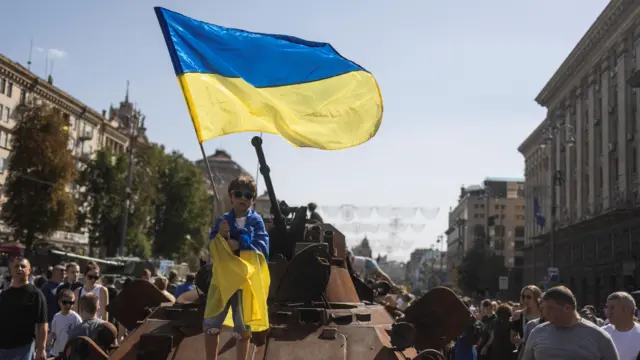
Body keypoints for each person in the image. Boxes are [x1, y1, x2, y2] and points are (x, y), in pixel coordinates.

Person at [204, 176, 270, 360]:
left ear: (253, 200)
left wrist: (240, 244)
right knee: (211, 325)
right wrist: (220, 236)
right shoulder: (223, 221)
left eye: (248, 195)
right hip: (223, 280)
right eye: (239, 194)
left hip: (244, 282)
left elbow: (262, 249)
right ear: (230, 196)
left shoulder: (256, 222)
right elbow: (212, 248)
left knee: (242, 329)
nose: (243, 198)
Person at [522, 286, 619, 360]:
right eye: (544, 308)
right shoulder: (537, 332)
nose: (545, 312)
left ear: (567, 308)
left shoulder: (599, 337)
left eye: (550, 308)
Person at [0, 257, 48, 360]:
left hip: (23, 349)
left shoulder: (36, 294)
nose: (19, 269)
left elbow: (42, 324)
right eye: (16, 266)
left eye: (23, 266)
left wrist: (41, 349)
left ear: (29, 271)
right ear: (11, 270)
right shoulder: (4, 294)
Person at [602, 291, 640, 360]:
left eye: (612, 308)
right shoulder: (601, 333)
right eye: (608, 307)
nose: (608, 312)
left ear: (625, 310)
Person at [67, 294, 107, 359]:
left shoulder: (76, 330)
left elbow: (69, 354)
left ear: (81, 309)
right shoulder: (108, 327)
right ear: (98, 309)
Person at [48, 289, 82, 358]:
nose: (68, 305)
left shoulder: (76, 318)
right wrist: (49, 340)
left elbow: (80, 336)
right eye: (65, 302)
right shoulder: (56, 317)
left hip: (70, 354)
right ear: (59, 302)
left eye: (71, 303)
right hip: (57, 352)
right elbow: (53, 332)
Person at [510, 285, 542, 355]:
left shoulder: (544, 315)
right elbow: (512, 337)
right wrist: (523, 342)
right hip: (524, 353)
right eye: (523, 297)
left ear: (537, 298)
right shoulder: (519, 315)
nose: (525, 300)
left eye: (529, 297)